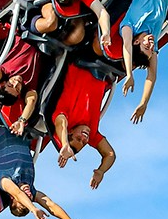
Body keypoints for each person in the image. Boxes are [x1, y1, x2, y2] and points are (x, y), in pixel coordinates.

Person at [0, 117, 81, 219]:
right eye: (28, 201)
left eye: (24, 201)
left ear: (12, 198)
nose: (29, 196)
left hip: (3, 123)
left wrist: (33, 209)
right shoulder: (31, 189)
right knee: (48, 124)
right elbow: (50, 205)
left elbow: (18, 193)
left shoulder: (4, 181)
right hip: (26, 127)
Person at [48, 60, 118, 188]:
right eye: (84, 142)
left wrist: (64, 143)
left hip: (82, 61)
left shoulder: (66, 118)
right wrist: (101, 171)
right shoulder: (92, 134)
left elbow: (60, 123)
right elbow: (110, 154)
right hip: (104, 69)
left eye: (78, 138)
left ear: (70, 132)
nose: (85, 138)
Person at [0, 32, 44, 137]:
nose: (17, 82)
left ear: (3, 84)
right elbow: (31, 101)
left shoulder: (5, 70)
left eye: (11, 85)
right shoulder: (29, 85)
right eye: (17, 89)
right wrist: (21, 120)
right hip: (43, 42)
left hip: (27, 32)